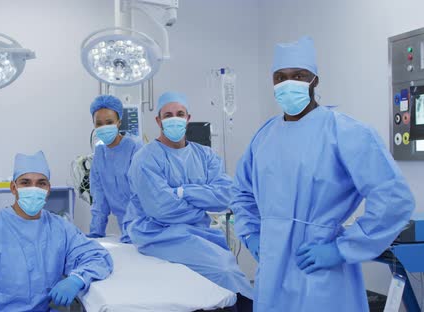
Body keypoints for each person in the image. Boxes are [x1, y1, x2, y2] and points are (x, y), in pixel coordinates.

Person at [230, 36, 415, 312]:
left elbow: (393, 199)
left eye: (299, 75)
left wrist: (342, 249)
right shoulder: (264, 136)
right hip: (271, 269)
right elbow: (241, 192)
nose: (288, 83)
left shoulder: (346, 133)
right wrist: (252, 235)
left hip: (319, 266)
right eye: (280, 77)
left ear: (314, 80)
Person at [125, 92, 253, 309]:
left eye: (180, 114)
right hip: (159, 234)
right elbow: (161, 209)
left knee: (230, 266)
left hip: (201, 231)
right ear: (158, 120)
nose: (174, 118)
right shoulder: (145, 158)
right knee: (225, 271)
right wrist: (202, 201)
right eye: (168, 115)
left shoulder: (206, 155)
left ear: (188, 118)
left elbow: (225, 195)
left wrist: (182, 192)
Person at [0, 151, 113, 311]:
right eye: (25, 182)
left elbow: (97, 257)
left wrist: (77, 279)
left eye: (41, 183)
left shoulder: (60, 228)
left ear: (48, 190)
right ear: (13, 188)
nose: (34, 188)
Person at [86, 95, 142, 243]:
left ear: (119, 122)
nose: (104, 127)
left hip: (143, 223)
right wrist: (96, 233)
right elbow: (99, 195)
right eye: (99, 123)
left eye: (109, 122)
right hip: (123, 226)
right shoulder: (99, 153)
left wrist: (130, 230)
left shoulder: (134, 148)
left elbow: (139, 193)